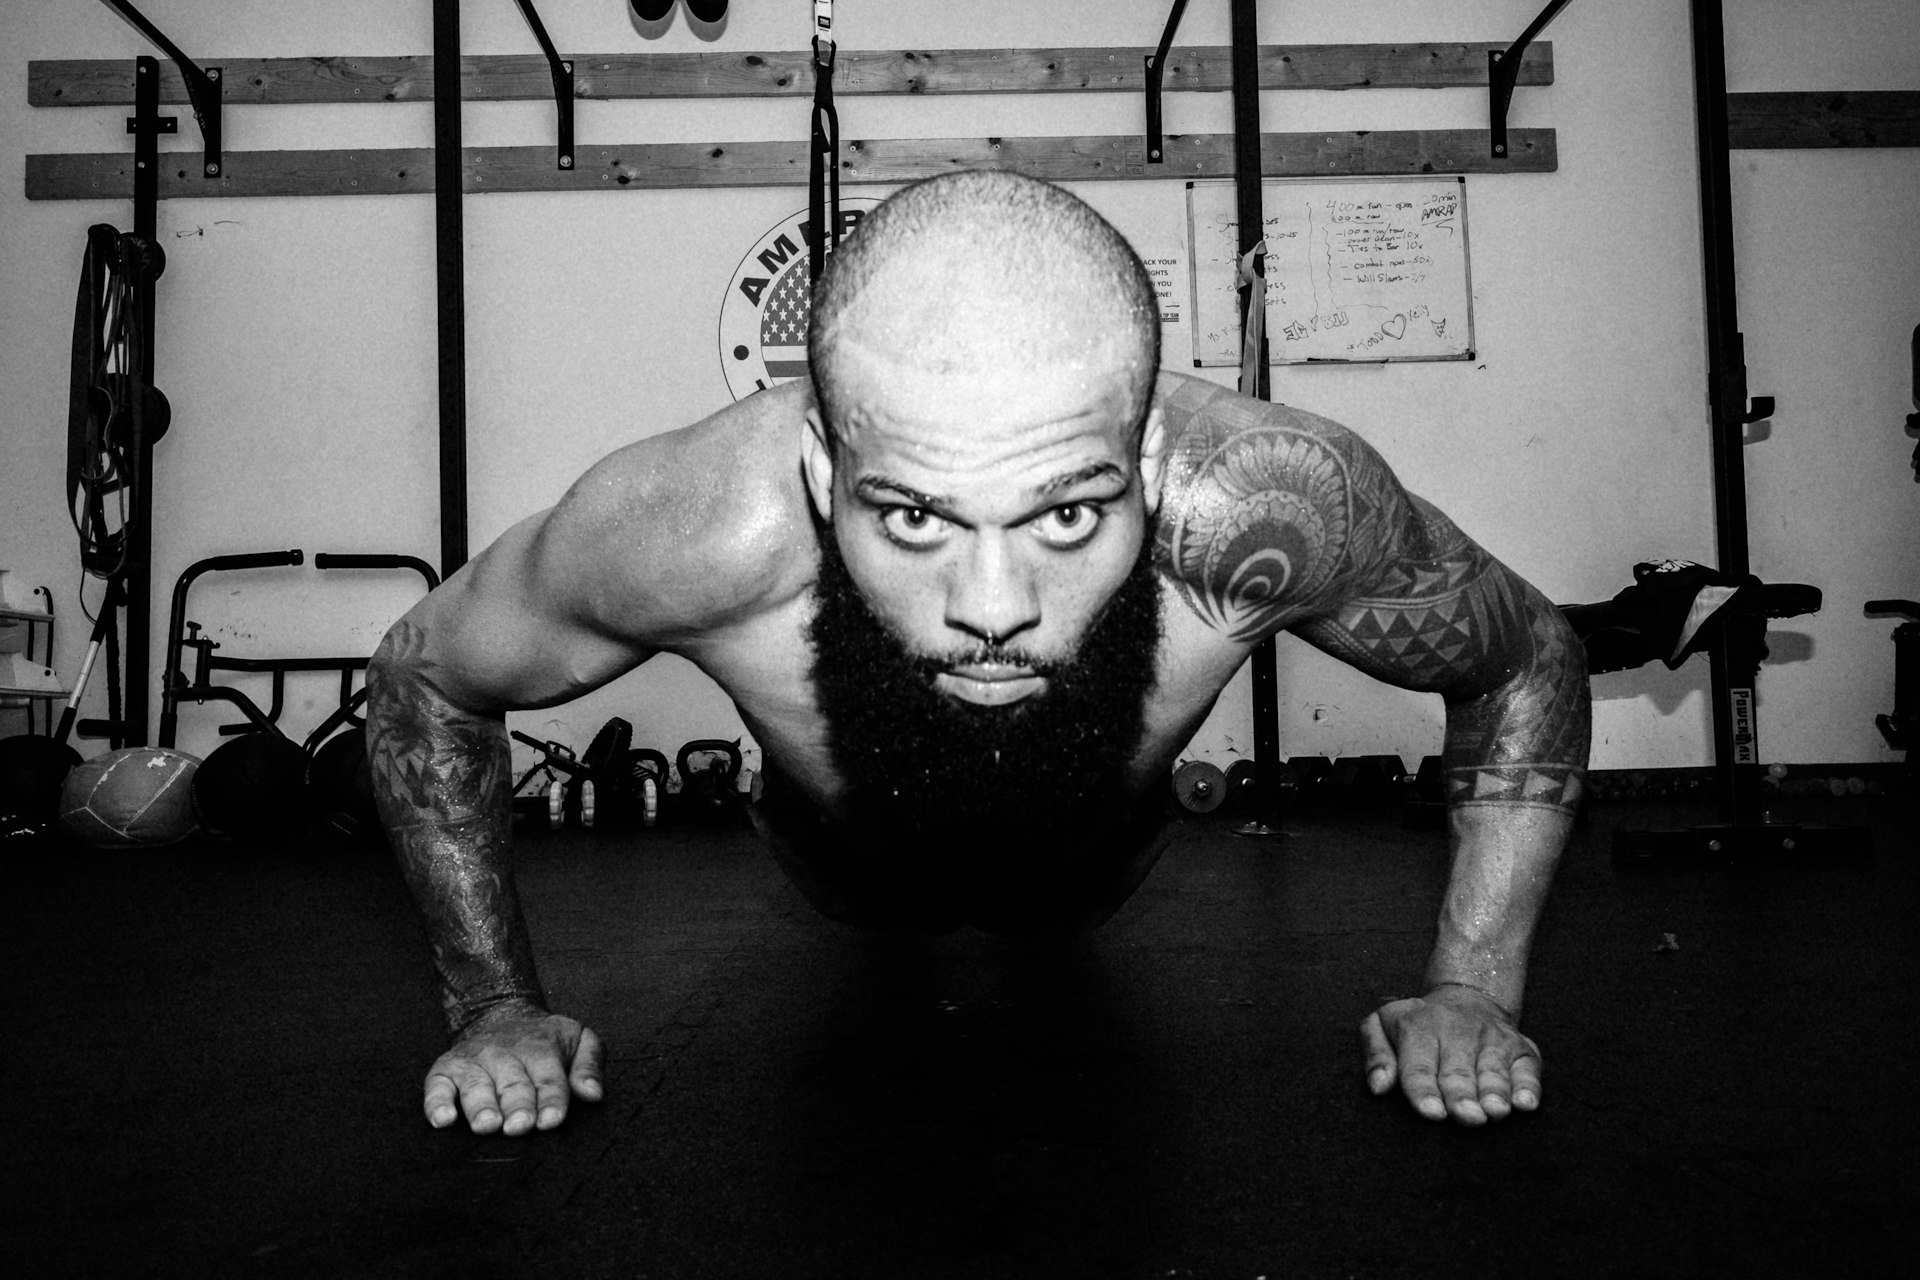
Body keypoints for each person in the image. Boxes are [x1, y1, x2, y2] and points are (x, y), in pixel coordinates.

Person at [365, 170, 1590, 1139]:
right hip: (844, 865)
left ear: (1148, 467)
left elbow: (1525, 654)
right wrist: (494, 1006)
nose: (993, 607)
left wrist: (1471, 988)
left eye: (1067, 515)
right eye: (915, 517)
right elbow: (425, 676)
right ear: (822, 474)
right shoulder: (696, 531)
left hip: (1092, 864)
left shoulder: (1261, 509)